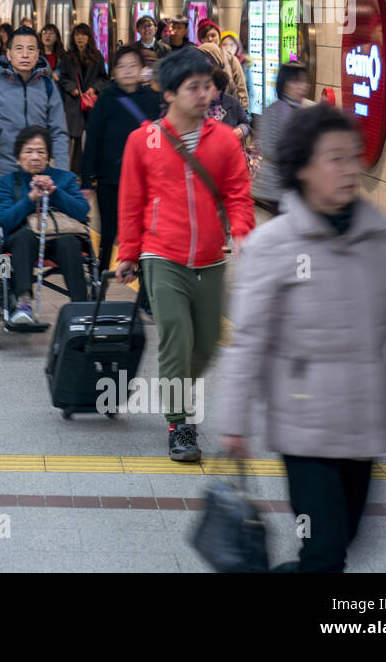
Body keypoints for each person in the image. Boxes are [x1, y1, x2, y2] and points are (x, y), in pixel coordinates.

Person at [220, 105, 386, 572]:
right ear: (303, 169)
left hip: (365, 418)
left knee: (344, 538)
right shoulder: (274, 245)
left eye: (354, 156)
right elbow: (248, 341)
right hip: (305, 425)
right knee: (325, 551)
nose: (351, 168)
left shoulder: (374, 234)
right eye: (336, 159)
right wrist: (234, 422)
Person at [115, 47, 256, 463]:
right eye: (194, 87)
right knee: (176, 335)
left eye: (207, 86)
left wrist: (243, 232)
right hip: (162, 256)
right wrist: (129, 253)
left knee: (207, 343)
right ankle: (180, 423)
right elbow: (132, 201)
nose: (204, 95)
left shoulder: (224, 141)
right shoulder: (142, 141)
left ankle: (176, 387)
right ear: (170, 94)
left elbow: (237, 193)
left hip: (211, 259)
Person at [80, 44, 163, 304]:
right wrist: (86, 179)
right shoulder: (106, 99)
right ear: (114, 71)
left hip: (145, 181)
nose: (127, 71)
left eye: (132, 66)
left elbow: (158, 139)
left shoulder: (152, 100)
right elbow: (93, 140)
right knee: (109, 234)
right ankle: (99, 286)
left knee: (146, 235)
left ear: (142, 69)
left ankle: (146, 295)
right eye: (121, 66)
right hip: (111, 179)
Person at [0, 127, 91, 324]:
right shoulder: (8, 182)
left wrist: (55, 192)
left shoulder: (65, 178)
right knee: (25, 237)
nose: (35, 157)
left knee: (69, 241)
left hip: (57, 239)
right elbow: (5, 221)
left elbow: (82, 211)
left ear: (48, 156)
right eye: (28, 151)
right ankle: (23, 302)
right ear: (18, 157)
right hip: (22, 242)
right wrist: (30, 199)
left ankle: (81, 307)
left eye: (40, 152)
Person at [0, 24, 70, 190]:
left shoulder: (48, 86)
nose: (25, 55)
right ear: (9, 54)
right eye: (19, 49)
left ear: (38, 54)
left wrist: (62, 172)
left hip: (38, 176)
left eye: (31, 49)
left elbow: (58, 132)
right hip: (0, 175)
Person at [252, 63, 310, 214]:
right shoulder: (273, 112)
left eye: (304, 81)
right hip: (277, 186)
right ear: (284, 84)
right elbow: (269, 149)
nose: (302, 86)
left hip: (299, 186)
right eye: (296, 82)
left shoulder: (308, 109)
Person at [57, 23, 109, 173]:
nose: (80, 38)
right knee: (76, 137)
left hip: (91, 102)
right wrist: (72, 88)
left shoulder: (97, 56)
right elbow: (63, 78)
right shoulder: (67, 57)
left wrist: (94, 88)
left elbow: (104, 78)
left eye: (83, 35)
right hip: (74, 102)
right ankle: (75, 172)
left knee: (92, 136)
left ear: (89, 37)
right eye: (77, 35)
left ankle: (91, 171)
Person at [198, 19, 249, 109]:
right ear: (201, 39)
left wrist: (243, 109)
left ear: (219, 36)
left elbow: (240, 86)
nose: (210, 39)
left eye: (213, 35)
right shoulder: (195, 59)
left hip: (229, 108)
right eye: (205, 36)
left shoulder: (230, 58)